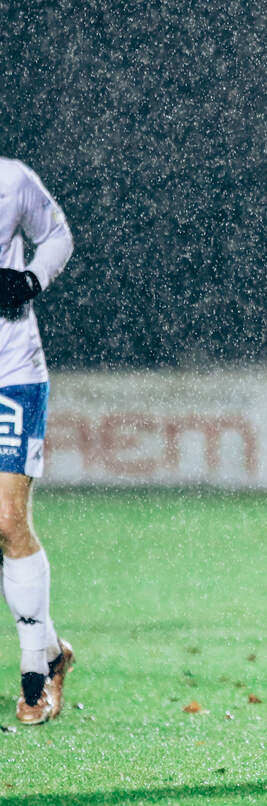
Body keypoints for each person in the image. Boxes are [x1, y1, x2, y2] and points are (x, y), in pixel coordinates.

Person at [0, 158, 74, 724]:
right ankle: (52, 650)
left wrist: (29, 280)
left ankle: (34, 674)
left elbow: (57, 236)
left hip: (12, 371)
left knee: (6, 518)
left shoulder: (12, 180)